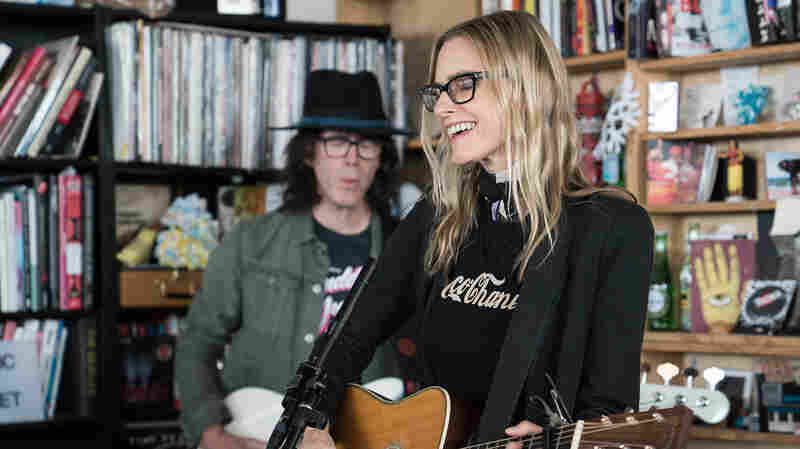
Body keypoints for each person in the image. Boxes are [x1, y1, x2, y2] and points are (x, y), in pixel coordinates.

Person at [299, 10, 654, 449]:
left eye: (463, 85)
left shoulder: (613, 229)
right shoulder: (437, 217)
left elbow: (611, 413)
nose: (444, 107)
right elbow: (350, 337)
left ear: (524, 86)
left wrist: (556, 440)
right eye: (438, 92)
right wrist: (313, 422)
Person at [175, 69, 411, 449]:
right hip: (258, 433)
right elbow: (197, 344)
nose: (352, 159)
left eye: (366, 144)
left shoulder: (407, 249)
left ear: (380, 156)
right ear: (308, 153)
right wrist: (211, 433)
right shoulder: (250, 243)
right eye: (336, 142)